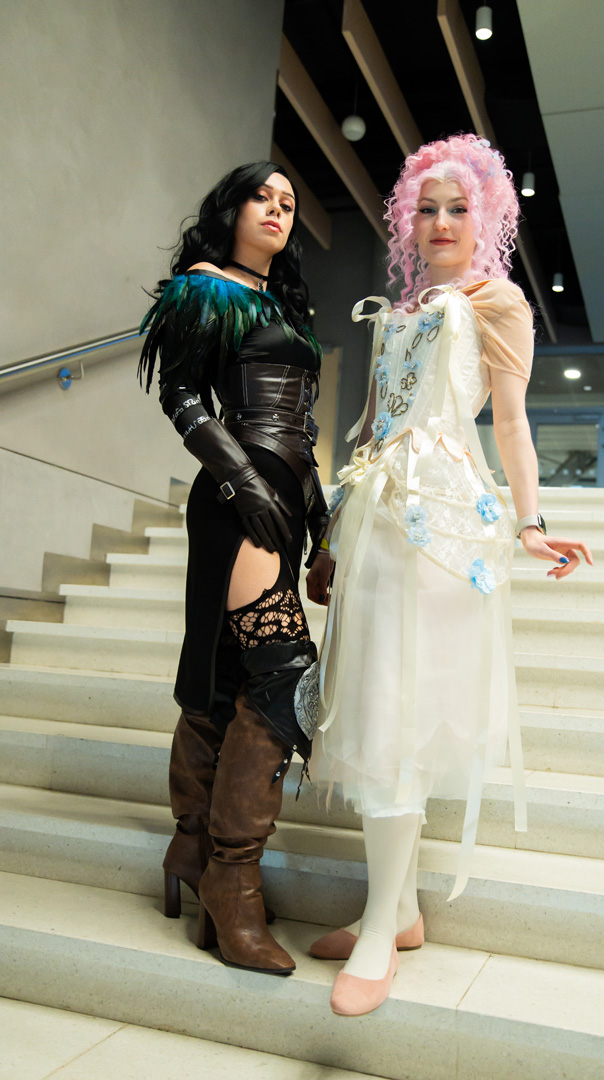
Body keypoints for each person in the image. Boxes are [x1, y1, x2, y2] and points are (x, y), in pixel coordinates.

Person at [306, 133, 592, 1015]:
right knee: (376, 702)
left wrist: (529, 522)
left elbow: (510, 423)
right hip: (374, 516)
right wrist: (331, 535)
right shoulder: (398, 310)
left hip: (442, 522)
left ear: (486, 217)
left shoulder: (497, 302)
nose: (439, 221)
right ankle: (398, 913)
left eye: (458, 208)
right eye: (425, 208)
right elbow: (367, 429)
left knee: (402, 707)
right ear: (406, 220)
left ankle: (381, 925)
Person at [139, 161, 328, 975]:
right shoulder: (203, 287)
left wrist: (320, 524)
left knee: (228, 671)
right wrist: (242, 483)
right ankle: (232, 881)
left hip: (283, 498)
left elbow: (302, 431)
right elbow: (181, 397)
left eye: (288, 202)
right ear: (232, 208)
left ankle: (192, 847)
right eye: (263, 197)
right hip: (233, 498)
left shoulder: (280, 303)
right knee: (284, 676)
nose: (277, 210)